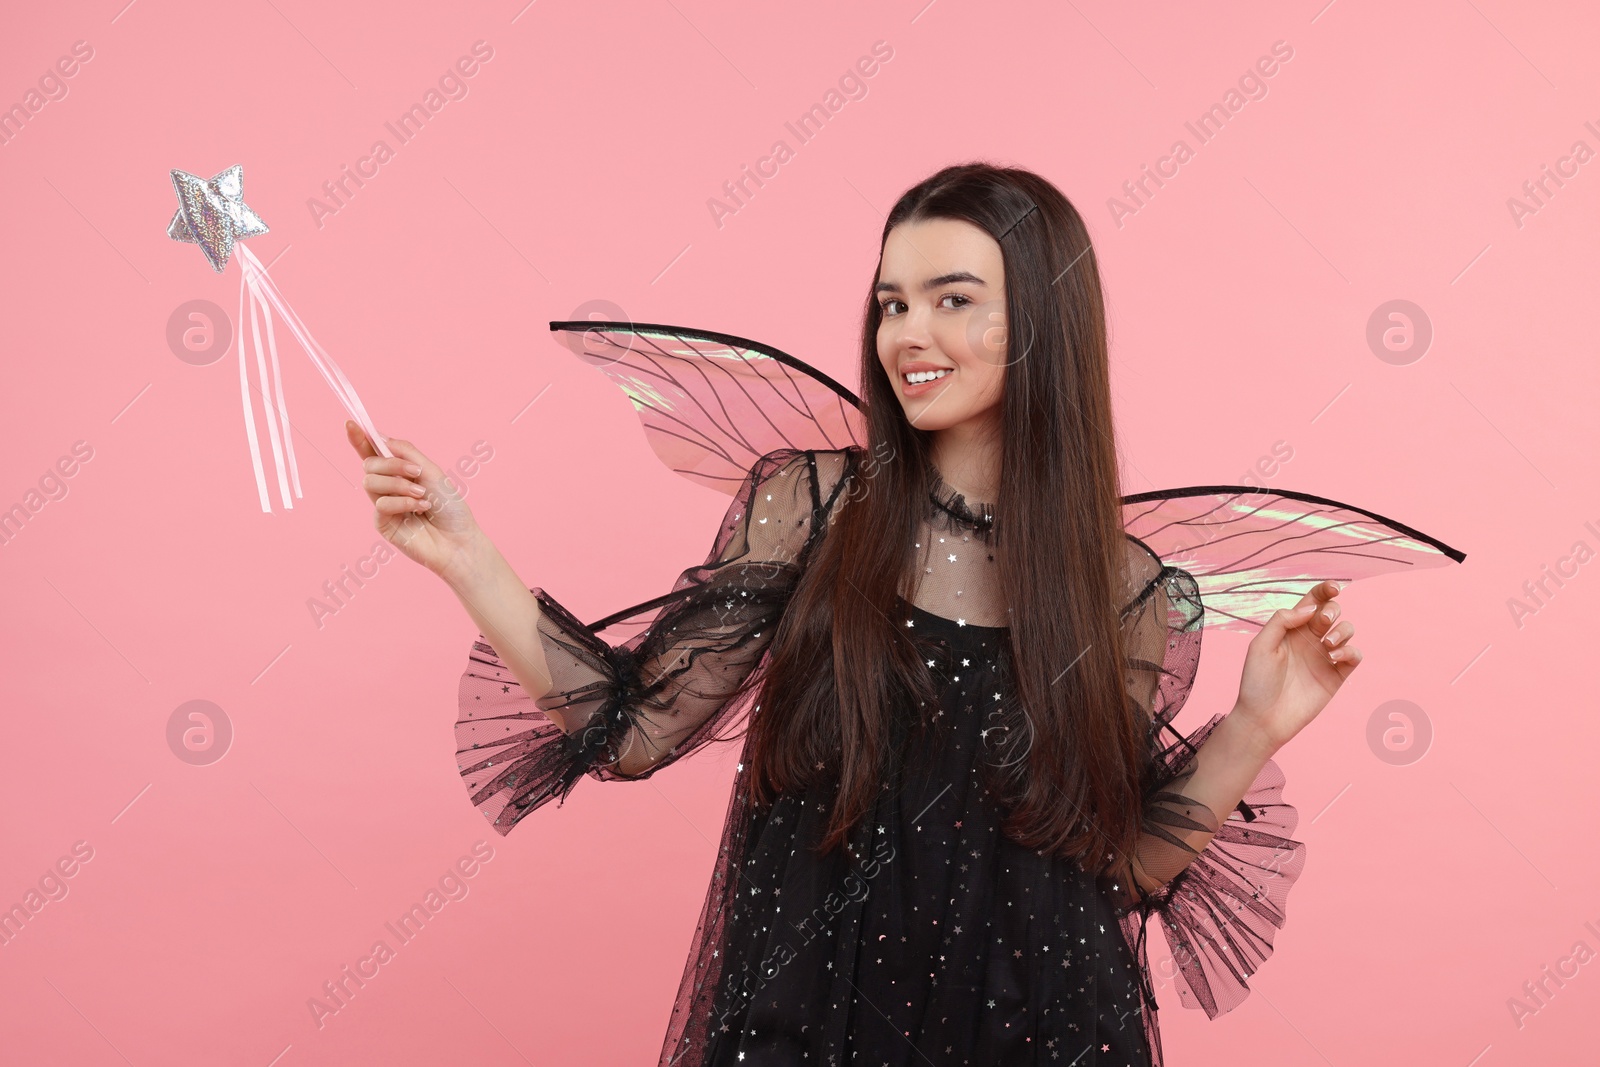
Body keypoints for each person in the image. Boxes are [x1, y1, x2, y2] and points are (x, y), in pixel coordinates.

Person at [345, 163, 1365, 1066]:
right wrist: (465, 553)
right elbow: (634, 730)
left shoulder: (1123, 591)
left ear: (1046, 321)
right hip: (811, 1024)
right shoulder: (817, 510)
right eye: (891, 303)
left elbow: (1109, 871)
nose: (906, 335)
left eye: (951, 300)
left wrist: (1257, 722)